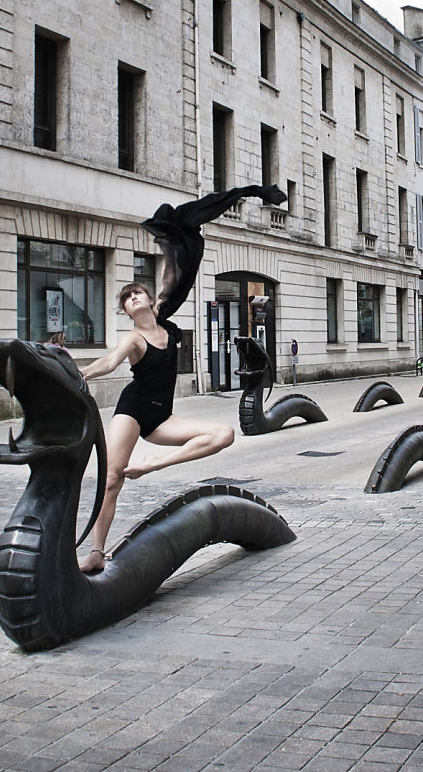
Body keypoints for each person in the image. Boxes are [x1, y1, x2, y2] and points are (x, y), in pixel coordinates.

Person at [78, 183, 286, 574]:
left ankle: (153, 465)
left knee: (223, 435)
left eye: (139, 293)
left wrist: (250, 192)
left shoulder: (170, 330)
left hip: (163, 419)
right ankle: (95, 551)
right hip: (133, 410)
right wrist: (83, 372)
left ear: (152, 302)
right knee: (110, 481)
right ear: (126, 311)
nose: (136, 298)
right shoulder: (133, 338)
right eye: (129, 298)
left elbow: (176, 274)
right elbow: (110, 362)